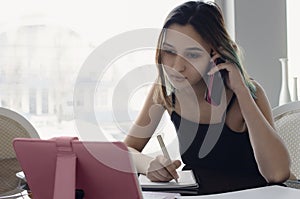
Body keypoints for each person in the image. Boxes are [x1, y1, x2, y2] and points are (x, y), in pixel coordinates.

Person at [124, 1, 291, 194]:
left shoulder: (248, 93)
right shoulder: (165, 90)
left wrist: (242, 91)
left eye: (192, 55)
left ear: (216, 54)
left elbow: (277, 174)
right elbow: (125, 150)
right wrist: (148, 165)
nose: (177, 67)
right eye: (169, 51)